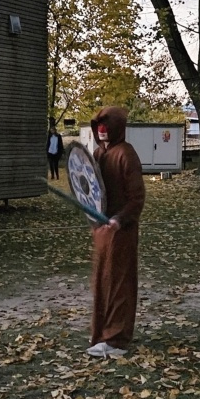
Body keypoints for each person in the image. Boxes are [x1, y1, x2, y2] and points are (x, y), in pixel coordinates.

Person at [86, 107, 145, 358]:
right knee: (103, 281)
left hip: (121, 231)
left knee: (119, 283)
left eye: (106, 125)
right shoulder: (98, 153)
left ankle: (116, 339)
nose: (102, 130)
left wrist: (120, 219)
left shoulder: (126, 154)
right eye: (98, 126)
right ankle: (101, 333)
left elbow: (137, 198)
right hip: (101, 230)